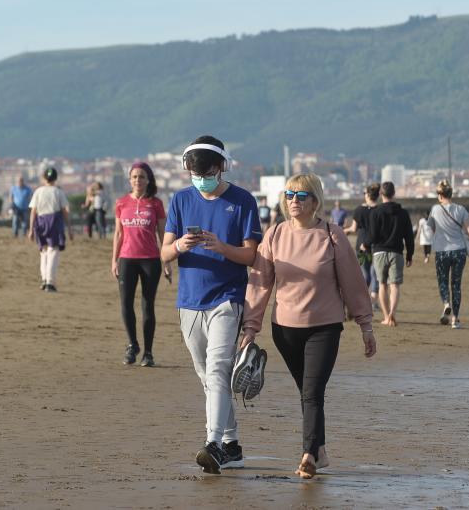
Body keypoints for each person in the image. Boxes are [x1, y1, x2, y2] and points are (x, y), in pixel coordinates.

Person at [242, 173, 375, 480]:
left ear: (315, 201)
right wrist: (250, 329)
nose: (294, 201)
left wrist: (366, 326)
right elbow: (260, 285)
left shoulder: (332, 234)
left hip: (324, 328)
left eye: (301, 196)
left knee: (312, 392)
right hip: (284, 330)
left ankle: (308, 456)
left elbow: (354, 284)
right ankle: (321, 449)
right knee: (307, 391)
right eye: (289, 195)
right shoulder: (274, 235)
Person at [160, 135, 262, 475]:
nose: (199, 179)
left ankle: (213, 443)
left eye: (204, 172)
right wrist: (180, 247)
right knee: (207, 376)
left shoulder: (242, 201)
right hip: (189, 302)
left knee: (218, 369)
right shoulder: (180, 200)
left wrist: (222, 247)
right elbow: (164, 252)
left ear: (220, 168)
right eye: (193, 173)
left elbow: (251, 255)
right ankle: (232, 445)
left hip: (227, 299)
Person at [111, 162, 171, 367]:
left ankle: (148, 352)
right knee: (126, 303)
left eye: (142, 177)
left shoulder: (156, 204)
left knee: (148, 305)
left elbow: (163, 235)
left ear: (148, 180)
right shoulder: (121, 203)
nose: (138, 180)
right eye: (135, 176)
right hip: (127, 258)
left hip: (150, 260)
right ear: (130, 180)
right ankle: (132, 345)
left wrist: (167, 261)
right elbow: (118, 234)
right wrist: (114, 260)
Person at [426, 180, 469, 329]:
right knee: (456, 284)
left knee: (443, 281)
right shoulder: (461, 209)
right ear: (451, 194)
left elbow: (430, 228)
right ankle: (455, 319)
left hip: (442, 251)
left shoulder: (435, 209)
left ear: (440, 195)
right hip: (459, 251)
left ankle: (446, 303)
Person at [365, 182, 414, 327]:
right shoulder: (403, 213)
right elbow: (409, 236)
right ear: (394, 194)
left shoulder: (376, 212)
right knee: (395, 285)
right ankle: (393, 313)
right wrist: (409, 255)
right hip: (397, 252)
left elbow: (372, 235)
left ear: (381, 194)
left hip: (379, 252)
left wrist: (365, 244)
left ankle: (386, 317)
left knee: (382, 285)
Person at [28, 167, 74, 292]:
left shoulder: (38, 191)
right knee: (53, 250)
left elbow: (33, 211)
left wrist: (31, 229)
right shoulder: (58, 192)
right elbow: (65, 211)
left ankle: (44, 279)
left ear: (44, 178)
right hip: (54, 221)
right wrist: (69, 229)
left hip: (41, 221)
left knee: (43, 251)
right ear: (56, 178)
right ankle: (50, 281)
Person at [344, 183, 381, 310]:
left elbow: (354, 228)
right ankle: (373, 303)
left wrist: (345, 231)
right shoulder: (380, 210)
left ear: (367, 195)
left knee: (364, 275)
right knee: (375, 274)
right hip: (376, 246)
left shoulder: (359, 210)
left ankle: (362, 302)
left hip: (361, 247)